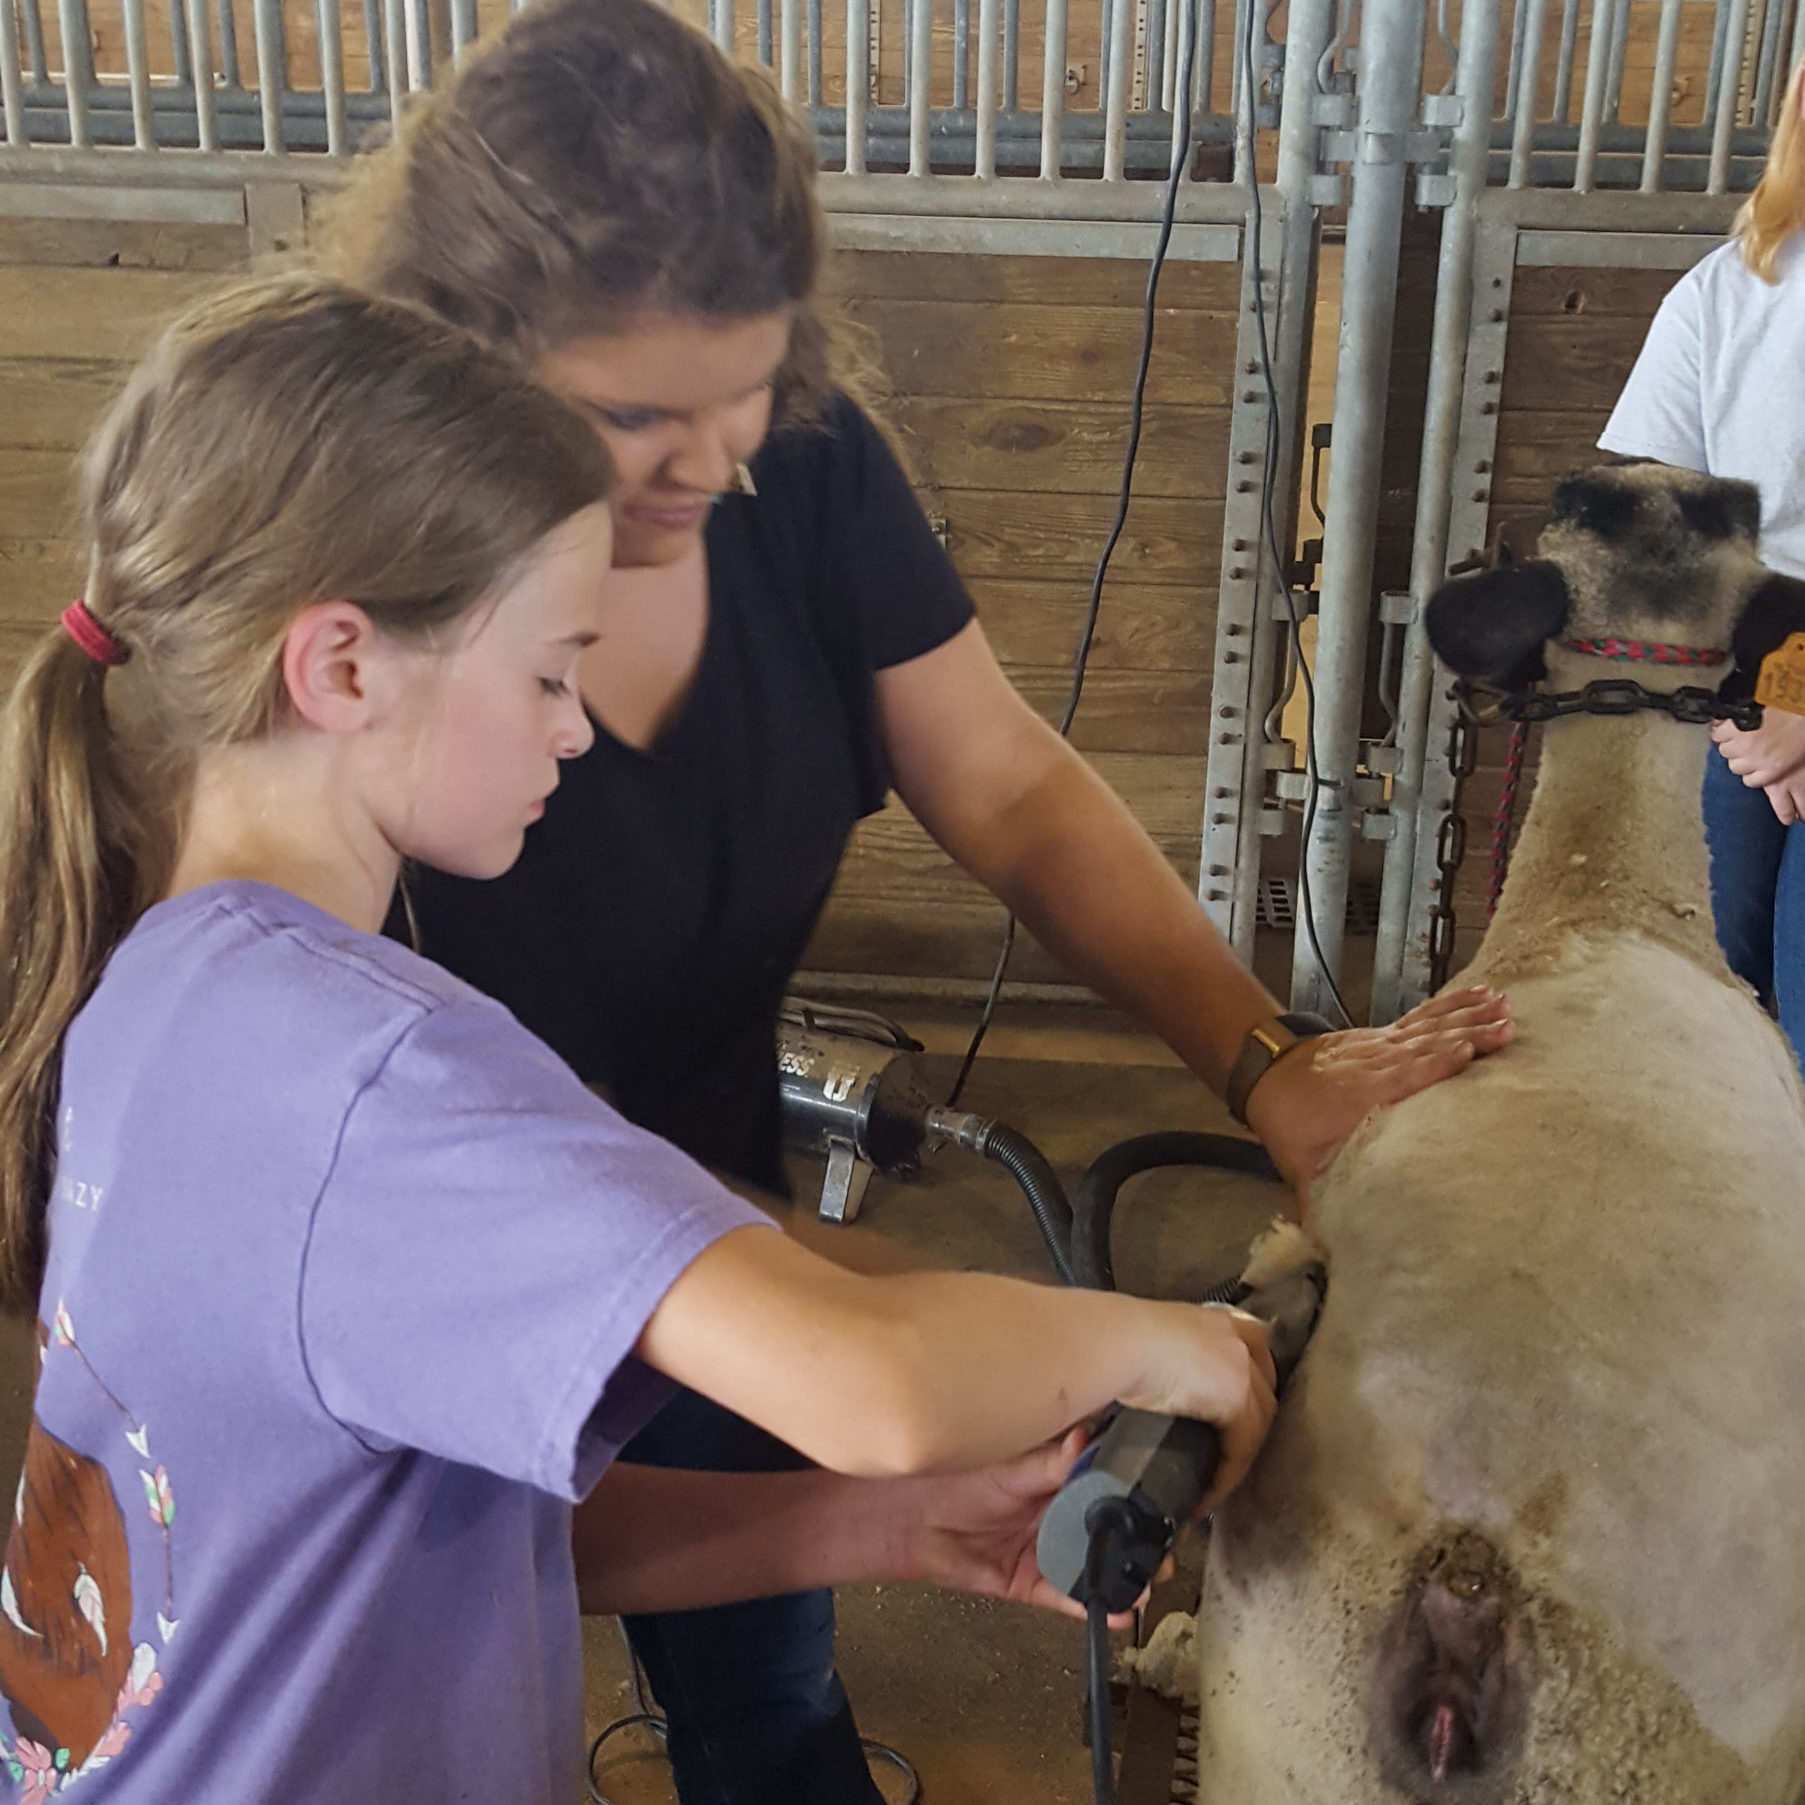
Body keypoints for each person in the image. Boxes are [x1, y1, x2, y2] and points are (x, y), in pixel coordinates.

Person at [313, 3, 1515, 1799]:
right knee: (442, 1660)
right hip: (460, 1276)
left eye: (752, 399)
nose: (717, 473)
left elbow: (1010, 784)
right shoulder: (349, 667)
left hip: (713, 1242)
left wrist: (1267, 1060)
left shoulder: (782, 467)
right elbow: (499, 1212)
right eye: (644, 417)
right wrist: (990, 1327)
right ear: (455, 360)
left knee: (768, 1694)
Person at [0, 274, 1280, 1802]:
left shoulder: (166, 990)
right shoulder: (366, 1076)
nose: (576, 726)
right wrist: (1186, 1340)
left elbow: (457, 1525)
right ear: (340, 665)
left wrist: (875, 1530)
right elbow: (876, 1381)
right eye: (549, 669)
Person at [1600, 49, 1805, 1059]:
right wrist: (1742, 708)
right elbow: (1657, 522)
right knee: (1708, 1006)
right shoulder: (1729, 287)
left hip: (1783, 690)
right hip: (1739, 686)